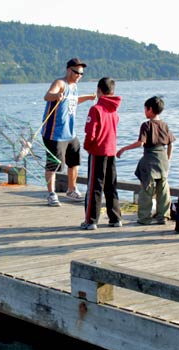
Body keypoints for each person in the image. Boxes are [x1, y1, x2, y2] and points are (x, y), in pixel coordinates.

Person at [41, 57, 96, 207]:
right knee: (53, 164)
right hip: (55, 133)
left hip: (70, 133)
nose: (79, 76)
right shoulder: (60, 83)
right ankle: (51, 193)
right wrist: (56, 95)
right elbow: (47, 96)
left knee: (75, 162)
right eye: (76, 72)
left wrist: (89, 97)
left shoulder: (74, 87)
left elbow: (74, 100)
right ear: (68, 70)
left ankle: (72, 189)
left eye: (81, 74)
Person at [117, 96, 176, 225]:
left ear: (150, 109)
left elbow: (140, 143)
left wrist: (124, 148)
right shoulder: (164, 125)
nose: (144, 111)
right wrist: (168, 158)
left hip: (150, 159)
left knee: (146, 189)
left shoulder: (147, 125)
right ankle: (163, 216)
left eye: (145, 108)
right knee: (163, 189)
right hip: (163, 158)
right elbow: (171, 143)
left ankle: (145, 217)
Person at [80, 77, 122, 230]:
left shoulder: (96, 109)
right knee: (111, 185)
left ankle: (91, 220)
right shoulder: (114, 110)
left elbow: (91, 132)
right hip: (111, 150)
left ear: (99, 91)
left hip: (98, 151)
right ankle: (115, 217)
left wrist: (87, 146)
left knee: (94, 186)